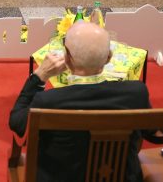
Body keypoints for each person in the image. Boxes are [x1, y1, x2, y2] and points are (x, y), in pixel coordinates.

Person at [9, 21, 152, 182]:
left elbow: (17, 123)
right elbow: (155, 133)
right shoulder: (136, 93)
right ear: (109, 58)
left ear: (67, 58)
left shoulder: (48, 101)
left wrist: (40, 75)